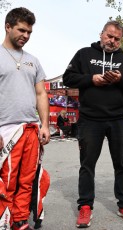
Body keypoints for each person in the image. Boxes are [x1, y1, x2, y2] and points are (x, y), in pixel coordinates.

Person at [62, 20, 123, 228]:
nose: (112, 41)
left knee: (121, 164)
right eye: (109, 36)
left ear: (121, 40)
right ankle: (85, 206)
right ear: (101, 34)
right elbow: (68, 78)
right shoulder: (84, 54)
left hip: (119, 119)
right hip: (90, 119)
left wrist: (120, 80)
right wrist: (92, 79)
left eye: (116, 38)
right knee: (87, 165)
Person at [0, 7, 50, 230]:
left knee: (28, 179)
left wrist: (45, 125)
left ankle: (20, 220)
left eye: (29, 32)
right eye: (21, 30)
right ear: (7, 27)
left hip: (31, 128)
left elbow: (41, 93)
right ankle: (5, 220)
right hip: (7, 129)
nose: (26, 35)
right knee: (7, 180)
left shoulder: (33, 60)